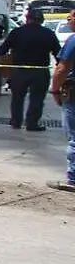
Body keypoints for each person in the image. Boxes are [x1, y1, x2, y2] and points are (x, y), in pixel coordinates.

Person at [0, 8, 61, 130]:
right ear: (41, 20)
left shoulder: (17, 32)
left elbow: (2, 51)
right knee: (37, 98)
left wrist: (0, 64)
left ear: (27, 19)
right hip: (40, 71)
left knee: (17, 98)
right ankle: (32, 123)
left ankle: (16, 121)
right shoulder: (48, 33)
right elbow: (58, 54)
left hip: (19, 71)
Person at [47, 11, 75, 192]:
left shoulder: (73, 41)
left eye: (72, 16)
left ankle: (73, 178)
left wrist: (55, 90)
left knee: (74, 137)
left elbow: (61, 69)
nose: (68, 19)